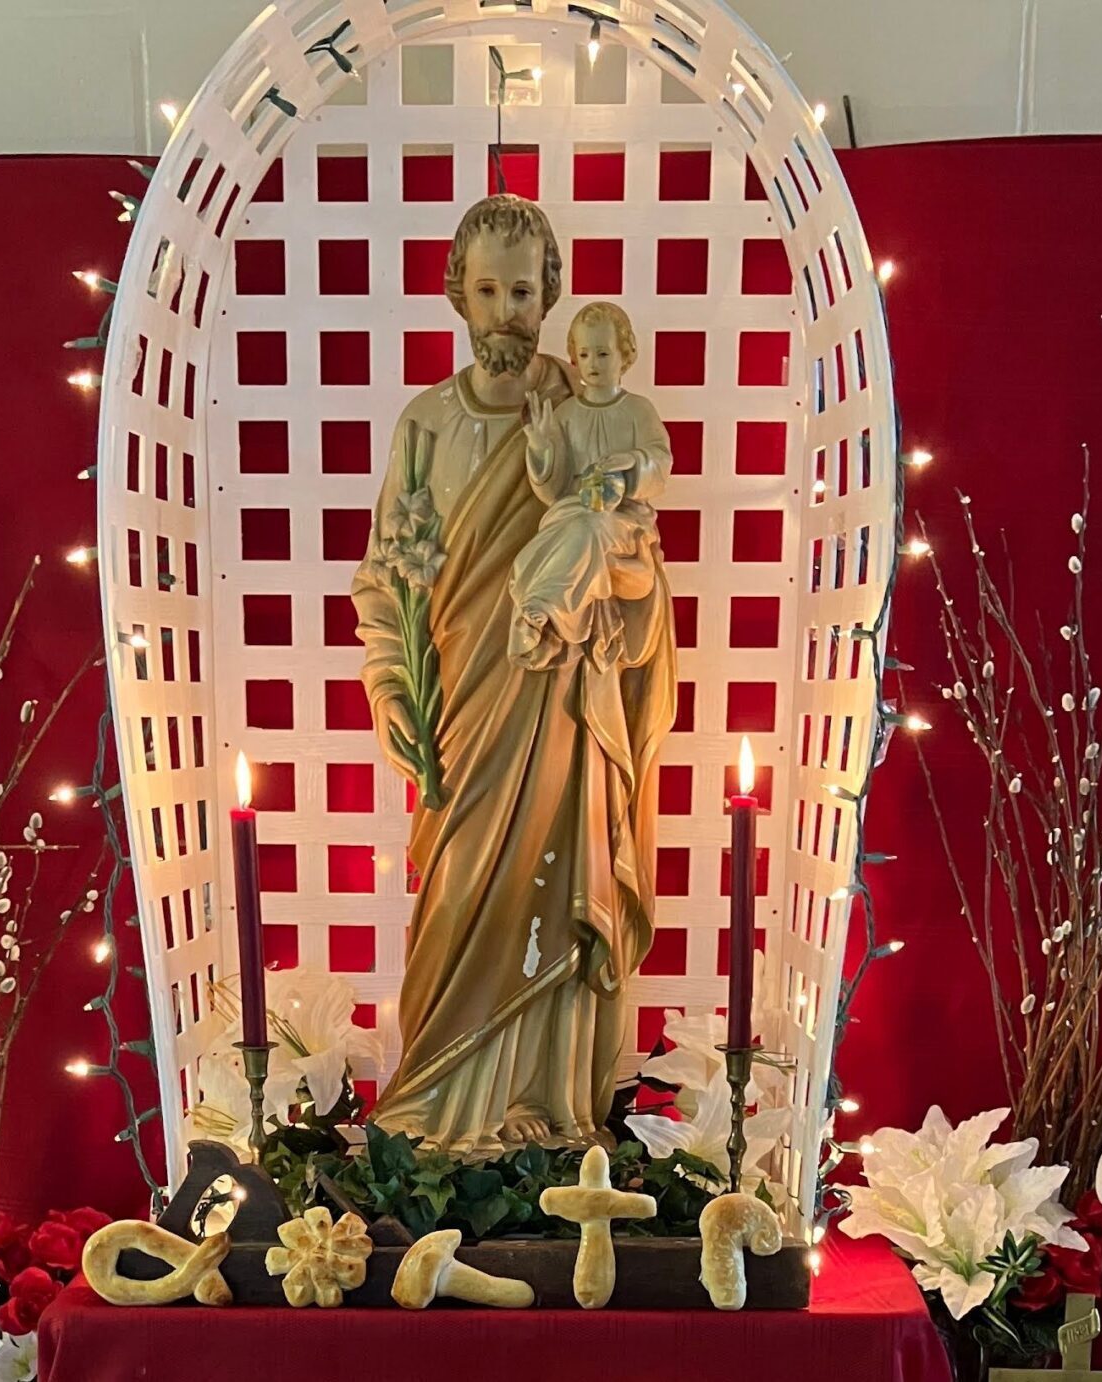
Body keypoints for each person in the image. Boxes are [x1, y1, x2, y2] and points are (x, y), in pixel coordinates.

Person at [350, 195, 677, 1155]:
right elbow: (384, 576)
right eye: (487, 291)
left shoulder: (587, 414)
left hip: (563, 697)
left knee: (558, 880)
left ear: (551, 295)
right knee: (457, 885)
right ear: (457, 293)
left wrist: (610, 578)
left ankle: (546, 1103)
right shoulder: (426, 423)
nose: (505, 313)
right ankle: (435, 1103)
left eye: (523, 292)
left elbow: (635, 555)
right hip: (462, 700)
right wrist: (388, 683)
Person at [509, 300, 673, 672]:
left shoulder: (638, 411)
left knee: (591, 527)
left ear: (624, 355)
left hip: (625, 524)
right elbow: (553, 492)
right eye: (584, 354)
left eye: (603, 353)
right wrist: (541, 449)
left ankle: (538, 611)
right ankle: (541, 613)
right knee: (576, 530)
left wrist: (630, 461)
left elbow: (661, 463)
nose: (593, 363)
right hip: (573, 515)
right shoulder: (567, 414)